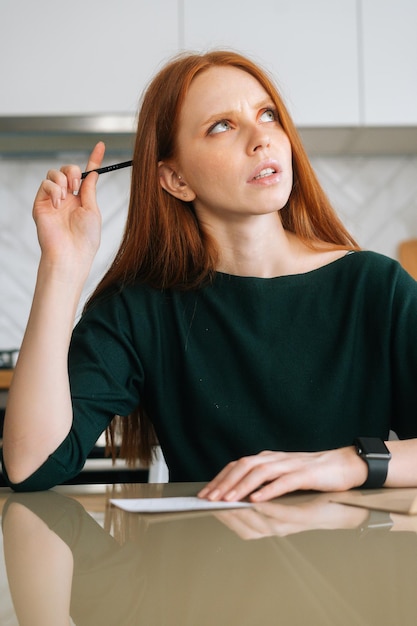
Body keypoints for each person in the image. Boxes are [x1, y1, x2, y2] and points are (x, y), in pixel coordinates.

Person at [2, 50, 417, 500]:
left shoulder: (378, 289)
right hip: (203, 568)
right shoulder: (139, 308)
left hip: (354, 568)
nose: (262, 138)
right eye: (222, 125)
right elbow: (31, 465)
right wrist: (62, 265)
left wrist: (349, 463)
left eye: (268, 114)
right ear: (176, 179)